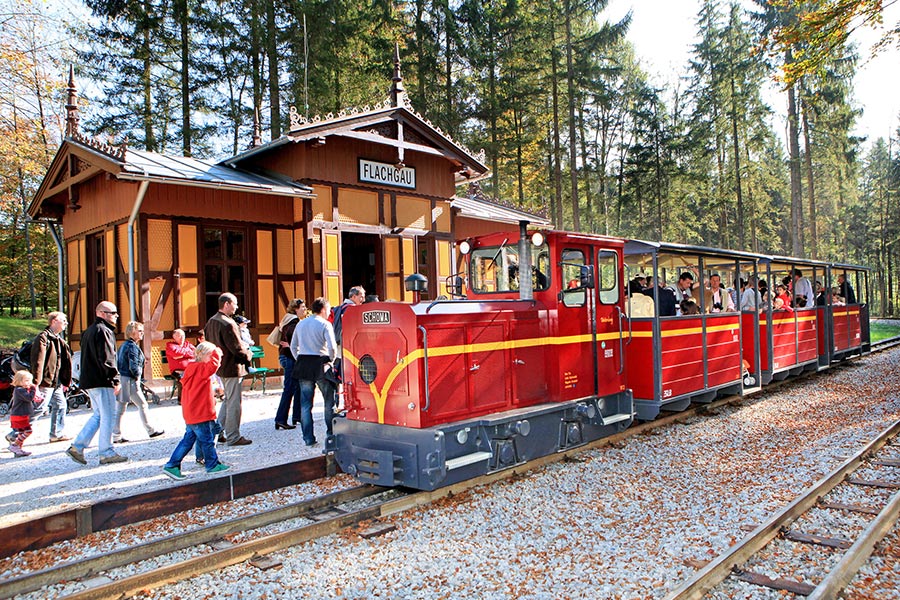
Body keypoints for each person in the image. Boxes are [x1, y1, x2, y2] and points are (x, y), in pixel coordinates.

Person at [67, 301, 127, 466]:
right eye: (113, 312)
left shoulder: (89, 331)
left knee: (99, 415)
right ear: (101, 313)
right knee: (108, 416)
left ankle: (78, 446)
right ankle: (106, 452)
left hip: (90, 380)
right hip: (102, 380)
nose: (116, 315)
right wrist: (115, 379)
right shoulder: (103, 331)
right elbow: (107, 358)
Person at [162, 342, 230, 480]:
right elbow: (213, 366)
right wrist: (217, 352)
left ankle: (173, 465)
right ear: (204, 355)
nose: (212, 358)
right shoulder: (200, 368)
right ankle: (211, 465)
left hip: (192, 413)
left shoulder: (192, 368)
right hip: (200, 414)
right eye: (210, 356)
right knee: (207, 440)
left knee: (188, 440)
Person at [204, 293, 253, 446]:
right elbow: (237, 348)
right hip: (232, 366)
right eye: (235, 303)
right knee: (234, 403)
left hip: (220, 366)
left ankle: (218, 431)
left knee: (227, 400)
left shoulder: (211, 321)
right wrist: (249, 355)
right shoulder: (228, 323)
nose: (237, 307)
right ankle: (233, 436)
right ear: (226, 304)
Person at [290, 297, 338, 447]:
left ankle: (308, 438)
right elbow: (332, 347)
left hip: (304, 362)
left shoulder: (301, 324)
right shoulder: (325, 324)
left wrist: (299, 358)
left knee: (305, 404)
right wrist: (331, 360)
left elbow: (293, 346)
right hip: (320, 362)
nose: (329, 312)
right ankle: (330, 434)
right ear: (323, 309)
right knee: (328, 401)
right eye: (329, 309)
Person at [113, 322, 164, 443]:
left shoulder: (124, 345)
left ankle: (116, 435)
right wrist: (138, 374)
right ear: (132, 332)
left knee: (121, 408)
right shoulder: (132, 347)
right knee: (142, 405)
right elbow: (133, 366)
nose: (142, 333)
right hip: (130, 380)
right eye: (139, 331)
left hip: (123, 378)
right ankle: (150, 430)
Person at [30, 311, 73, 443]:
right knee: (40, 408)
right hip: (46, 381)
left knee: (61, 405)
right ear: (54, 321)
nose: (66, 323)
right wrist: (36, 382)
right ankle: (15, 433)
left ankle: (56, 434)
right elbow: (38, 361)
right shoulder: (43, 338)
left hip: (57, 382)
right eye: (63, 320)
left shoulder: (58, 340)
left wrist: (66, 380)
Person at [274, 298, 306, 430]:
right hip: (290, 357)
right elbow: (295, 342)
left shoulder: (287, 320)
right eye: (302, 307)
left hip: (285, 356)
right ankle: (281, 418)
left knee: (296, 386)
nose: (304, 309)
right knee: (290, 388)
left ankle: (297, 416)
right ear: (295, 309)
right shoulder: (294, 323)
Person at [8, 370, 39, 457]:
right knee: (28, 431)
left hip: (21, 415)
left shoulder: (21, 389)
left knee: (22, 433)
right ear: (19, 381)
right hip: (19, 415)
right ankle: (15, 445)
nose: (29, 383)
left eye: (30, 380)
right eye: (26, 380)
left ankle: (18, 450)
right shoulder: (19, 390)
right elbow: (29, 398)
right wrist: (33, 389)